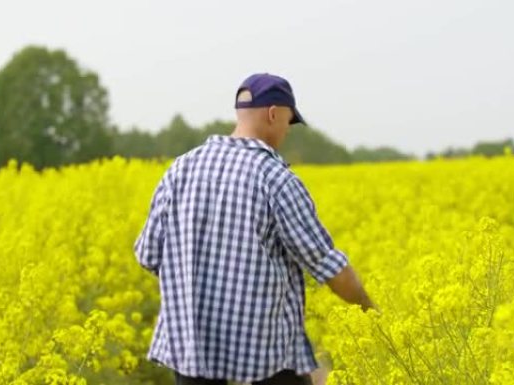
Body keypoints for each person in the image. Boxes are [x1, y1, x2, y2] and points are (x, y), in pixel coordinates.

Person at [134, 73, 378, 385]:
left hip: (190, 349)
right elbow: (326, 265)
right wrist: (370, 312)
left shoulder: (180, 169)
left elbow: (148, 254)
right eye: (288, 123)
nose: (286, 133)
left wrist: (198, 284)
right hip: (266, 357)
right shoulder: (274, 178)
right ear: (274, 114)